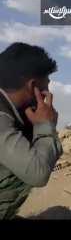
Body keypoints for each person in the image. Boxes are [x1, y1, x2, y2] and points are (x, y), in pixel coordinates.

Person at [0, 42, 63, 219]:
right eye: (46, 85)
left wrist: (44, 127)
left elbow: (54, 153)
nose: (48, 91)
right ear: (33, 86)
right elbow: (38, 174)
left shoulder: (14, 113)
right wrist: (45, 126)